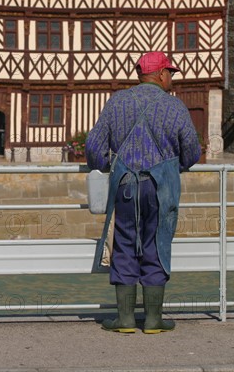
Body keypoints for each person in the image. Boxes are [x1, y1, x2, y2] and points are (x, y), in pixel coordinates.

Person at [85, 51, 201, 334]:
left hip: (124, 185)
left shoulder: (117, 102)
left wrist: (106, 165)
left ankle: (124, 320)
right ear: (160, 74)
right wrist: (177, 166)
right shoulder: (174, 108)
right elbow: (193, 151)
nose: (171, 78)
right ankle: (152, 320)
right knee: (156, 245)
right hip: (160, 189)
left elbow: (94, 147)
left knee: (123, 245)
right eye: (170, 73)